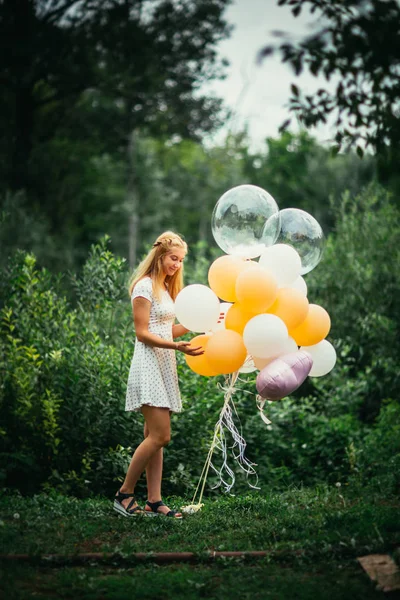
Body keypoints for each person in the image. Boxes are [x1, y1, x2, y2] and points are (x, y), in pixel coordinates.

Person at [114, 231, 203, 519]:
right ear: (160, 256)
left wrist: (196, 325)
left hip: (164, 364)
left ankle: (154, 500)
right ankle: (124, 494)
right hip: (149, 363)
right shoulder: (144, 287)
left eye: (181, 260)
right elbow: (143, 334)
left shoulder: (165, 288)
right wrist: (177, 346)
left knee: (154, 435)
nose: (177, 264)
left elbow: (167, 330)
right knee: (161, 436)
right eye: (173, 258)